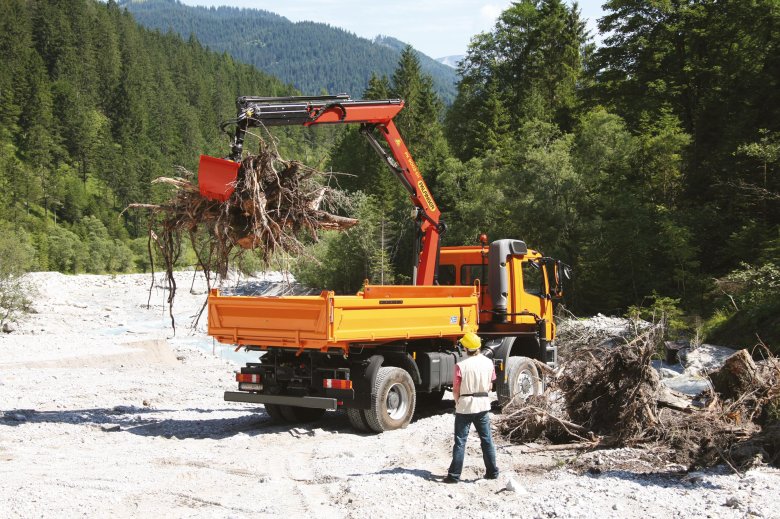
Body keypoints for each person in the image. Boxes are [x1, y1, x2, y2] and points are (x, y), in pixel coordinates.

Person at [443, 332, 499, 483]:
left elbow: (456, 389)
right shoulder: (489, 363)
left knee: (460, 441)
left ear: (466, 348)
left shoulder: (460, 366)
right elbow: (490, 385)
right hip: (483, 405)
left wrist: (457, 402)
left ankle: (454, 476)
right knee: (486, 440)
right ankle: (492, 472)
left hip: (465, 406)